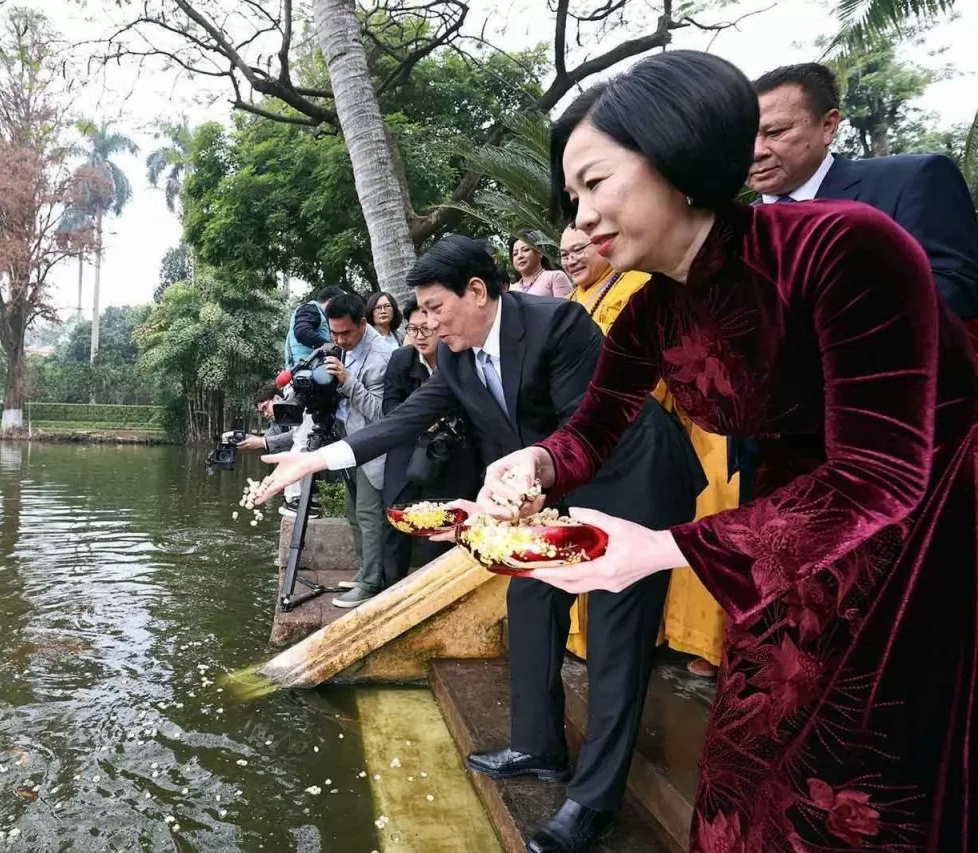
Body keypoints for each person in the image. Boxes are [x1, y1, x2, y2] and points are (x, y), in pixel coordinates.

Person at [478, 50, 978, 852]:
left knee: (861, 782)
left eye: (597, 183)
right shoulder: (651, 313)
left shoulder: (840, 243)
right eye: (572, 200)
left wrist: (661, 546)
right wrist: (534, 463)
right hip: (784, 532)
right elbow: (593, 429)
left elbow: (883, 472)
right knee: (745, 763)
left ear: (674, 153)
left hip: (923, 526)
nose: (579, 222)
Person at [253, 235, 705, 851]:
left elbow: (589, 428)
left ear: (476, 291)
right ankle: (539, 747)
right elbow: (404, 420)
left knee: (614, 640)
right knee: (530, 604)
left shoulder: (558, 325)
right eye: (420, 314)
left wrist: (511, 498)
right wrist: (309, 462)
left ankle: (592, 803)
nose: (426, 324)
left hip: (633, 482)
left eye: (435, 309)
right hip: (550, 487)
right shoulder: (460, 361)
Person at [560, 224, 735, 678]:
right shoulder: (576, 301)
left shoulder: (641, 285)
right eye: (562, 254)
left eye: (579, 248)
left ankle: (709, 646)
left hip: (666, 427)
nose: (572, 259)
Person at [749, 62, 978, 321]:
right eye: (743, 137)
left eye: (775, 132)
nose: (756, 151)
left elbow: (955, 289)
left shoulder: (913, 181)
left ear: (828, 126)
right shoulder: (728, 230)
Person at [381, 296, 483, 581]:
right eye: (413, 330)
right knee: (394, 520)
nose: (420, 337)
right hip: (408, 446)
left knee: (440, 528)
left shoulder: (463, 356)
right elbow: (389, 407)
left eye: (426, 329)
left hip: (452, 451)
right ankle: (390, 592)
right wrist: (422, 420)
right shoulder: (401, 359)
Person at [323, 291, 400, 607]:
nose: (340, 340)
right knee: (353, 512)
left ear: (363, 324)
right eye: (334, 332)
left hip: (372, 446)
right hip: (349, 439)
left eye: (346, 333)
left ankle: (370, 584)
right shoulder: (343, 347)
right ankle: (366, 572)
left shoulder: (382, 357)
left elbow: (384, 413)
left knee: (369, 515)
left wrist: (347, 381)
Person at [281, 285, 347, 516]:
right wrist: (330, 346)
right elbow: (302, 332)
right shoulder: (312, 310)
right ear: (330, 302)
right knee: (303, 438)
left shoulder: (312, 312)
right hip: (306, 384)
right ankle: (294, 498)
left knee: (310, 436)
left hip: (309, 382)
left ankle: (302, 494)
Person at [510, 232, 574, 298]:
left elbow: (567, 307)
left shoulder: (555, 277)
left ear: (539, 252)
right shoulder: (511, 289)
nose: (520, 256)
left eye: (525, 250)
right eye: (515, 254)